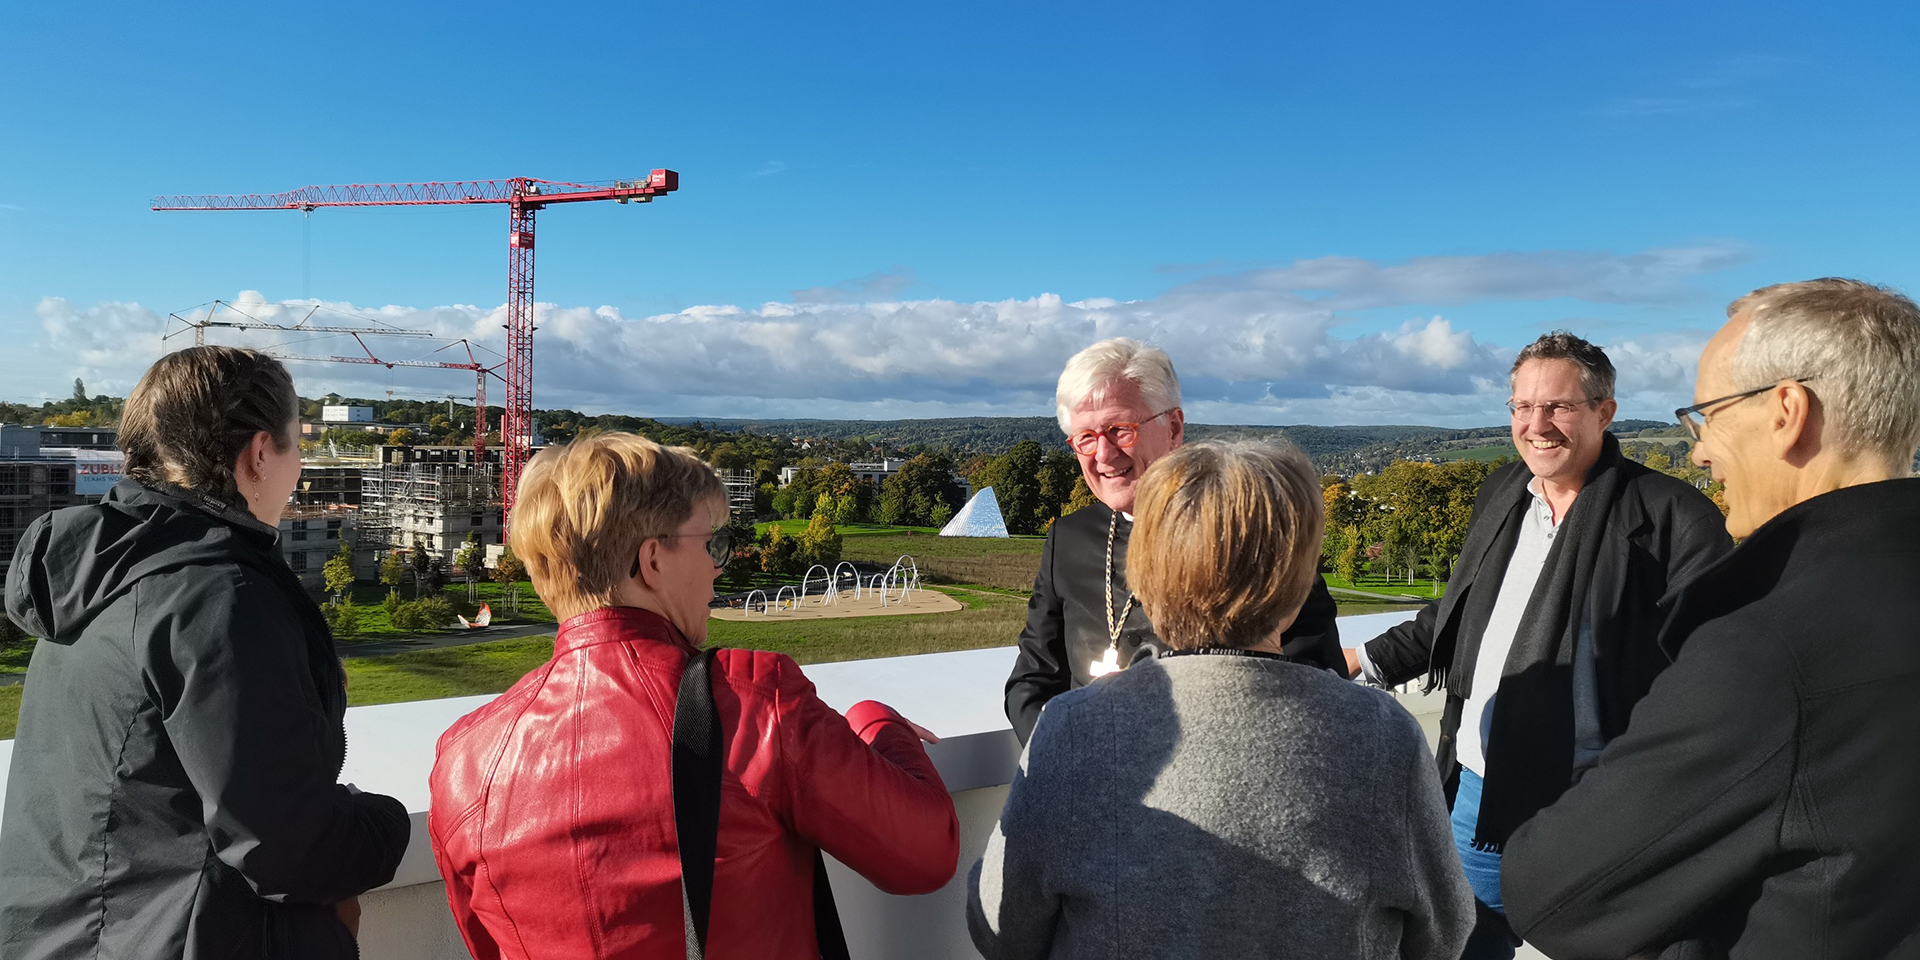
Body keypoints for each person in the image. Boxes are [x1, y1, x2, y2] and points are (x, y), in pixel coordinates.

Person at [1503, 279, 1920, 959]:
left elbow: (1549, 889)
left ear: (1788, 410)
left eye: (1707, 414)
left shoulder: (1769, 648)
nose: (1697, 450)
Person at [429, 432, 960, 960]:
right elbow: (927, 854)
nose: (719, 567)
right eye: (713, 545)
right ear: (653, 561)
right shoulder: (753, 702)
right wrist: (874, 720)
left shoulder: (463, 762)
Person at [969, 440, 1474, 959]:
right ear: (1297, 586)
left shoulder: (1073, 728)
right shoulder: (1383, 736)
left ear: (1146, 576)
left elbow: (1002, 927)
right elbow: (1444, 932)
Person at [0, 347, 412, 959]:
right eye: (295, 446)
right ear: (258, 454)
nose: (298, 468)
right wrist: (387, 823)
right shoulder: (219, 596)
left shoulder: (102, 573)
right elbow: (287, 846)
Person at [1346, 331, 1732, 958]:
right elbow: (1461, 613)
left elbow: (1710, 675)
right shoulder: (1504, 494)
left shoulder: (1673, 518)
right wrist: (1361, 659)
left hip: (1600, 803)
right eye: (1522, 407)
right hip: (1479, 785)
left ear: (1605, 412)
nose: (1536, 424)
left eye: (1558, 406)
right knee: (1467, 945)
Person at [1004, 338, 1342, 744]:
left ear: (1174, 428)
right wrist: (1063, 758)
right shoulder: (1068, 538)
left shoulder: (1251, 528)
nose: (1104, 455)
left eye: (1119, 430)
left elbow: (1318, 681)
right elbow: (1031, 681)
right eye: (1086, 438)